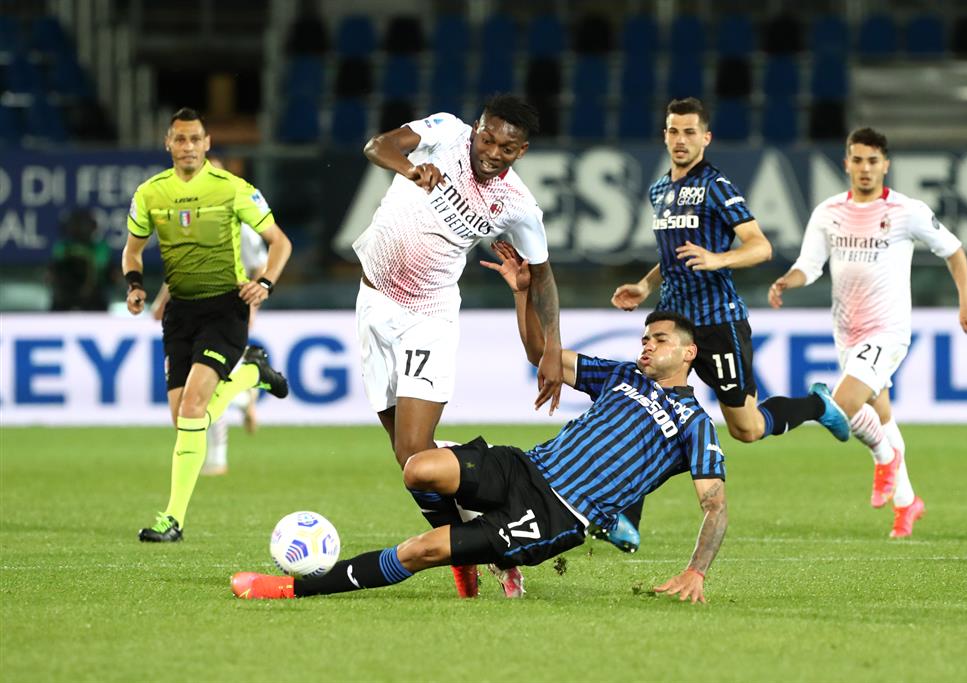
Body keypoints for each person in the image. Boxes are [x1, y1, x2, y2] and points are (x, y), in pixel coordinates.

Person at [231, 242, 728, 604]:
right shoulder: (621, 375)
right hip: (522, 467)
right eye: (644, 338)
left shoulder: (695, 424)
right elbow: (540, 354)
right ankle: (469, 559)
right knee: (417, 467)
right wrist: (522, 294)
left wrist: (696, 571)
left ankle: (291, 588)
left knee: (421, 551)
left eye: (659, 340)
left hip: (555, 515)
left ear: (688, 353)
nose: (647, 345)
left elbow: (715, 505)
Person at [608, 97, 850, 551]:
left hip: (718, 323)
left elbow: (760, 246)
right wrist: (644, 285)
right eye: (673, 131)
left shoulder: (716, 186)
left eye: (689, 132)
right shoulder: (659, 190)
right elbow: (673, 255)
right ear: (664, 135)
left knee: (748, 428)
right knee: (649, 409)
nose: (680, 140)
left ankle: (816, 406)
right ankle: (625, 515)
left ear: (706, 137)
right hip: (674, 323)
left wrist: (718, 258)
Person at [352, 94, 564, 597]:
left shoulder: (518, 204)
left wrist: (554, 346)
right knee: (410, 461)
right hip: (372, 302)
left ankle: (495, 519)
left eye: (507, 148)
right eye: (487, 139)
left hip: (428, 316)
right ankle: (468, 549)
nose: (492, 152)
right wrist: (411, 169)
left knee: (415, 454)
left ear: (522, 151)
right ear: (475, 128)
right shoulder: (444, 133)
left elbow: (543, 277)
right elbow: (377, 146)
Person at [768, 127, 967, 538]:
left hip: (888, 330)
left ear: (885, 165)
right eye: (857, 160)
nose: (864, 168)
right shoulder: (828, 212)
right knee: (881, 416)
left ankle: (886, 459)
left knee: (843, 404)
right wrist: (787, 281)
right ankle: (907, 502)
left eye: (872, 161)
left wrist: (966, 302)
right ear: (846, 163)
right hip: (847, 331)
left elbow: (953, 249)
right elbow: (809, 266)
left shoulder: (907, 211)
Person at [124, 108, 293, 542]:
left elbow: (280, 242)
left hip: (225, 310)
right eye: (180, 139)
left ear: (207, 143)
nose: (188, 147)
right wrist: (135, 285)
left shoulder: (233, 188)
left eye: (195, 139)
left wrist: (266, 283)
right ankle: (251, 374)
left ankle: (172, 520)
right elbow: (132, 250)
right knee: (185, 422)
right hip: (180, 314)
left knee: (194, 410)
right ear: (168, 143)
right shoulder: (150, 193)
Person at [150, 156, 267, 476]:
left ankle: (218, 457)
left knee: (204, 390)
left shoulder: (240, 220)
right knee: (196, 398)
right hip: (190, 312)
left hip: (226, 312)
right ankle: (245, 394)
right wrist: (161, 302)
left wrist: (252, 302)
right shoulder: (186, 218)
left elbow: (261, 264)